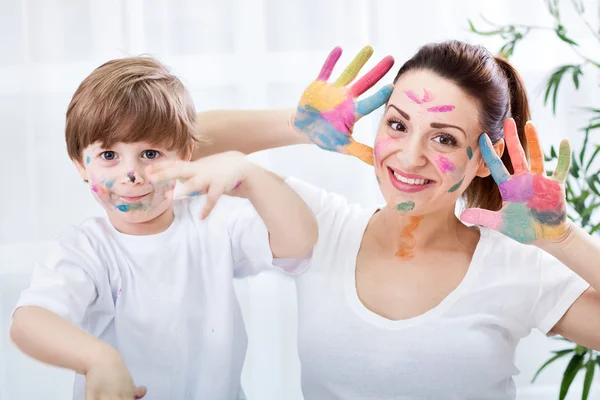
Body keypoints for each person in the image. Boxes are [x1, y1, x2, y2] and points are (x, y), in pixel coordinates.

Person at [191, 42, 600, 399]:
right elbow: (165, 145)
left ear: (482, 160)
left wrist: (562, 239)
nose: (408, 156)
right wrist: (295, 126)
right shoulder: (318, 226)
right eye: (398, 124)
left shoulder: (515, 264)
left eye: (444, 138)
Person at [9, 56, 318, 400]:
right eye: (109, 156)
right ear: (81, 164)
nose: (132, 174)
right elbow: (29, 323)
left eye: (151, 154)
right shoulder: (85, 250)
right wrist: (98, 360)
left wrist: (249, 176)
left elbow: (299, 241)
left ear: (186, 154)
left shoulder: (213, 219)